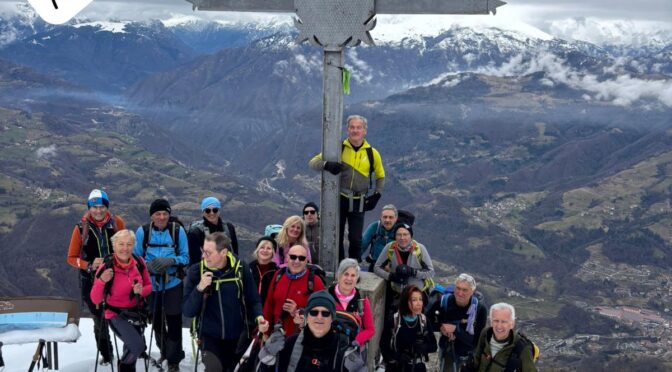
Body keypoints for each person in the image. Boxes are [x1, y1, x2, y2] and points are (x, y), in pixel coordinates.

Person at [183, 232, 269, 371]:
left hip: (235, 336)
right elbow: (187, 310)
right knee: (214, 369)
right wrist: (200, 288)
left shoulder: (240, 269)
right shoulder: (196, 271)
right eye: (203, 251)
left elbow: (253, 299)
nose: (204, 256)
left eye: (208, 253)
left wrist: (259, 317)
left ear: (223, 252)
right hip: (208, 335)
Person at [309, 114, 386, 261]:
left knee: (355, 238)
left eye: (359, 128)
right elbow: (313, 162)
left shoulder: (372, 153)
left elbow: (380, 175)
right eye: (352, 127)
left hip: (359, 200)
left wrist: (377, 194)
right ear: (347, 129)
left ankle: (353, 267)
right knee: (336, 235)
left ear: (365, 131)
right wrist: (327, 165)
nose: (355, 131)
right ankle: (338, 266)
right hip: (339, 199)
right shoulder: (339, 148)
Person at [66, 189, 125, 365]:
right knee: (99, 320)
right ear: (89, 208)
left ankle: (133, 350)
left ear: (107, 207)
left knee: (123, 315)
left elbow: (126, 247)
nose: (98, 211)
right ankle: (107, 355)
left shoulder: (117, 223)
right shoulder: (80, 228)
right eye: (94, 207)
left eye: (101, 207)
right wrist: (89, 265)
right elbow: (71, 258)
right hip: (91, 282)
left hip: (116, 278)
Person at [134, 198, 189, 372]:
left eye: (165, 213)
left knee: (174, 321)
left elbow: (186, 258)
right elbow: (135, 259)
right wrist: (147, 266)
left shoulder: (177, 231)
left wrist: (171, 260)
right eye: (158, 213)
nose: (162, 217)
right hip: (151, 284)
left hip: (172, 282)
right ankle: (165, 352)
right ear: (152, 215)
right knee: (157, 321)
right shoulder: (142, 232)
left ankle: (173, 360)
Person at [90, 229, 152, 372]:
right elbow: (95, 299)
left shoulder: (139, 262)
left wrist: (141, 291)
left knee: (131, 349)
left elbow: (149, 286)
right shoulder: (106, 267)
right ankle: (123, 368)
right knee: (137, 347)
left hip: (137, 312)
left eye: (129, 244)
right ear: (114, 246)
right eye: (121, 244)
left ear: (133, 246)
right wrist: (101, 281)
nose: (125, 248)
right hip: (115, 314)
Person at [257, 291, 367, 372]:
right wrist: (268, 353)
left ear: (332, 318)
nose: (319, 317)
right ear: (306, 316)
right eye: (314, 312)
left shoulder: (343, 349)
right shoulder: (291, 343)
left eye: (325, 313)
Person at [263, 245, 325, 336]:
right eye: (293, 257)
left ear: (306, 260)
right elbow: (269, 303)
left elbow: (323, 313)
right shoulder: (278, 275)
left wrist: (298, 312)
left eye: (301, 258)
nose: (297, 261)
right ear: (287, 258)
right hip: (276, 337)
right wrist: (265, 333)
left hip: (302, 339)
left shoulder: (315, 281)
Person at [436, 274, 488, 372]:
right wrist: (442, 328)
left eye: (465, 290)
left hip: (468, 355)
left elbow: (477, 341)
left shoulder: (480, 309)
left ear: (472, 292)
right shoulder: (445, 302)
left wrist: (455, 330)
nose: (460, 293)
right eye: (458, 288)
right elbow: (432, 322)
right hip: (448, 351)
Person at [374, 223, 435, 297]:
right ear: (395, 236)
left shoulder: (420, 249)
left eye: (405, 234)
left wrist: (413, 272)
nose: (402, 238)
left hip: (417, 294)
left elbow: (431, 272)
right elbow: (377, 268)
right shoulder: (390, 248)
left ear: (411, 236)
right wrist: (391, 276)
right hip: (397, 293)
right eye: (399, 234)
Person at [471, 303, 537, 372]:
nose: (499, 326)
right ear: (491, 322)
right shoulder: (485, 334)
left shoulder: (522, 348)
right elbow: (476, 361)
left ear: (512, 324)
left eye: (504, 322)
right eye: (496, 321)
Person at [388, 285, 437, 372]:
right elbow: (384, 345)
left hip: (418, 367)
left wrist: (423, 347)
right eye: (414, 300)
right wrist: (397, 356)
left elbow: (433, 346)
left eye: (420, 299)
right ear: (405, 302)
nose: (419, 303)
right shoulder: (395, 320)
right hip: (398, 367)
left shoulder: (424, 320)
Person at [327, 259, 375, 346]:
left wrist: (356, 340)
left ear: (357, 278)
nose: (349, 278)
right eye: (346, 274)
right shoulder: (327, 297)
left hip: (352, 348)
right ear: (339, 276)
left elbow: (370, 329)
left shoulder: (362, 301)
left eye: (353, 275)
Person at [187, 196, 238, 265]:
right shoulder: (196, 232)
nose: (212, 213)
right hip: (206, 271)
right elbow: (193, 259)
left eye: (215, 210)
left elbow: (235, 252)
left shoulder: (229, 228)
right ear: (203, 212)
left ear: (219, 211)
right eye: (207, 211)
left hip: (228, 270)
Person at [361, 204, 398, 271]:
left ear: (396, 218)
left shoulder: (400, 230)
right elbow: (363, 244)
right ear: (381, 217)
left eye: (390, 217)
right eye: (385, 217)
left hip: (394, 268)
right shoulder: (374, 227)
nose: (387, 220)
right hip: (375, 265)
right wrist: (353, 261)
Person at [249, 236, 279, 306]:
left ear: (273, 252)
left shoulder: (277, 272)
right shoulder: (248, 269)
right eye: (262, 247)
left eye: (268, 248)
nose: (265, 250)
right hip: (250, 311)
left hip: (269, 311)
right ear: (257, 250)